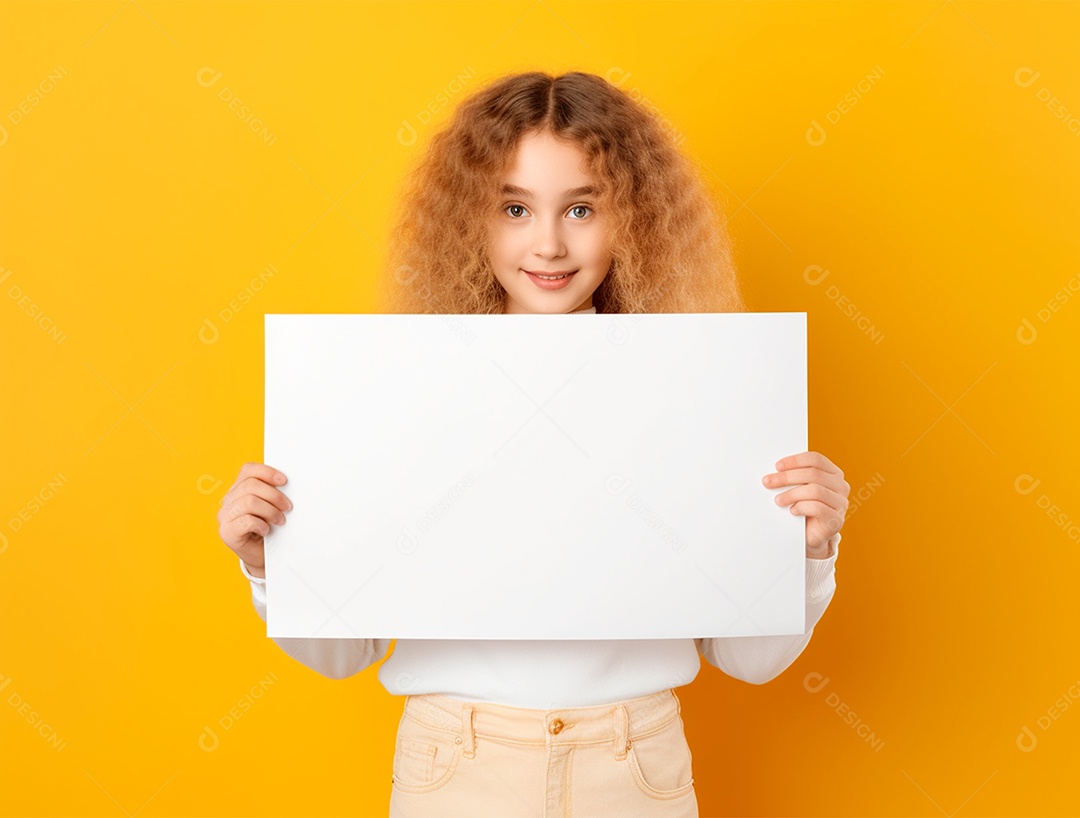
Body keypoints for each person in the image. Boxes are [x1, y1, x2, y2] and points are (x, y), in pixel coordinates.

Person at [216, 71, 850, 817]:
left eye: (582, 208)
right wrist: (270, 565)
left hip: (636, 767)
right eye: (514, 208)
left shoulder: (696, 392)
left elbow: (748, 660)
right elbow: (341, 654)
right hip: (455, 765)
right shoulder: (399, 390)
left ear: (634, 221)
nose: (548, 242)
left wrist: (807, 552)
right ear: (468, 222)